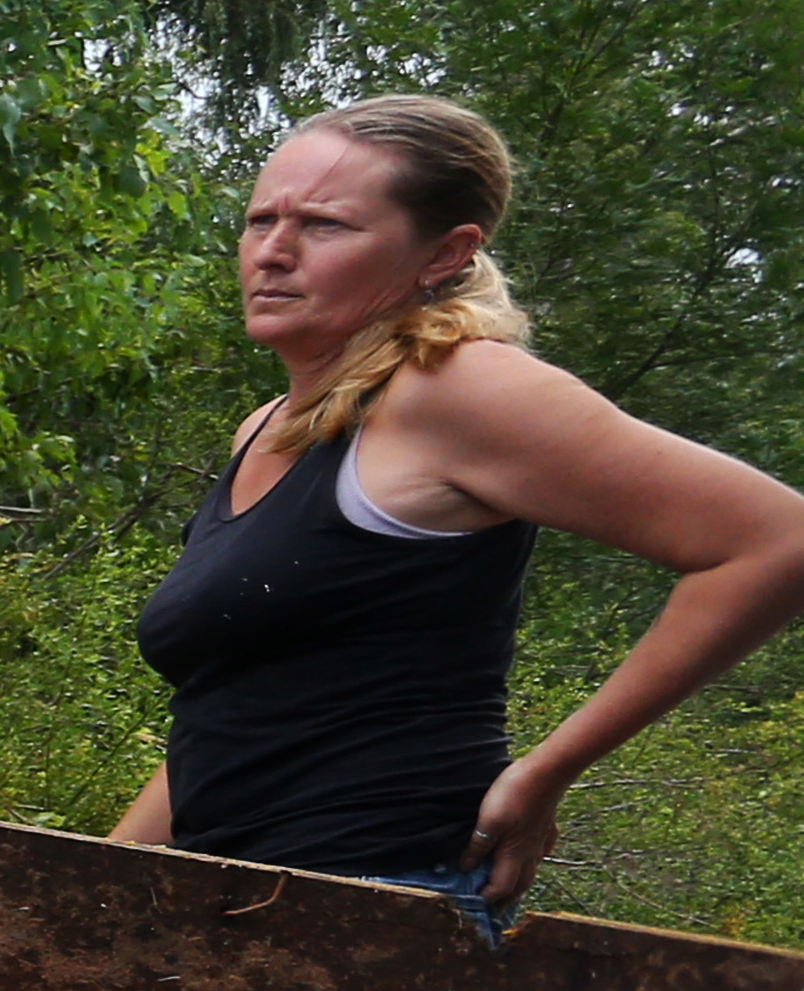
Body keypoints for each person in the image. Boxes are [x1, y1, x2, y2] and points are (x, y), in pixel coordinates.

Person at [121, 94, 804, 930]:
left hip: (383, 912)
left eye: (326, 226)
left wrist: (551, 769)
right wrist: (99, 888)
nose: (275, 251)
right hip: (231, 904)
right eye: (262, 219)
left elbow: (777, 542)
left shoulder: (457, 388)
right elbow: (231, 707)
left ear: (444, 254)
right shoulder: (266, 430)